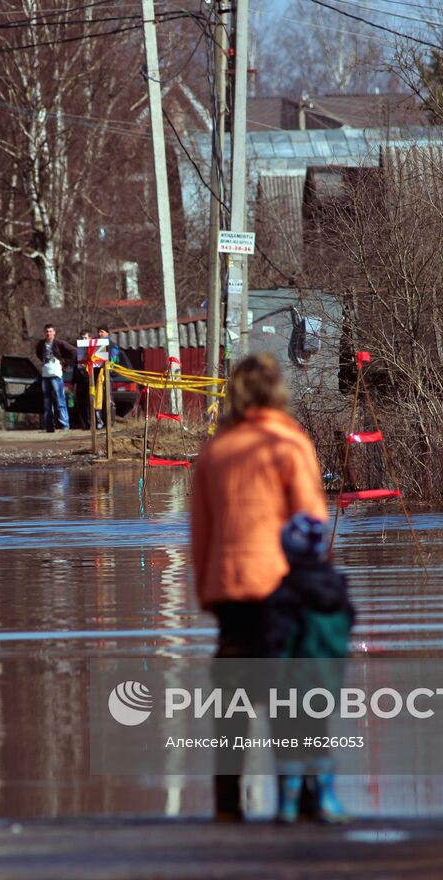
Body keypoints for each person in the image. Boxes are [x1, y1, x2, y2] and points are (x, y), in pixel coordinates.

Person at [189, 353, 328, 822]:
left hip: (229, 591)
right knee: (291, 696)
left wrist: (208, 590)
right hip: (281, 588)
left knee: (231, 703)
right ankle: (302, 800)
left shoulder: (217, 450)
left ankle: (228, 803)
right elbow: (311, 522)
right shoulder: (288, 443)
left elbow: (201, 532)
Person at [264, 513, 354, 824]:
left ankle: (288, 804)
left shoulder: (285, 594)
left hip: (290, 684)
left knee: (288, 744)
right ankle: (327, 799)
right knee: (318, 738)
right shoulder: (338, 590)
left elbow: (277, 641)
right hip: (327, 682)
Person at [33, 324, 74, 433]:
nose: (48, 333)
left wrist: (64, 362)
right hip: (45, 375)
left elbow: (73, 351)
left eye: (50, 331)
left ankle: (65, 425)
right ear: (44, 333)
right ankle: (49, 426)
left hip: (56, 375)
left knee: (60, 401)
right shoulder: (41, 344)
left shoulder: (59, 343)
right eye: (46, 331)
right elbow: (37, 353)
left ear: (54, 333)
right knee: (47, 403)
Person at [93, 325, 119, 429]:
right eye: (99, 332)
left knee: (108, 399)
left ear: (107, 333)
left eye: (102, 332)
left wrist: (108, 366)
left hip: (107, 375)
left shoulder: (112, 345)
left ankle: (110, 422)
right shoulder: (96, 344)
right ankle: (100, 422)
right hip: (97, 375)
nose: (100, 334)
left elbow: (114, 359)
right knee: (98, 399)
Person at [73, 330, 94, 431]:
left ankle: (93, 423)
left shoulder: (94, 350)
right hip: (80, 381)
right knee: (81, 404)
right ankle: (85, 424)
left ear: (90, 339)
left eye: (85, 338)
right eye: (82, 338)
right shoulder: (78, 352)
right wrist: (74, 382)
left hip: (91, 380)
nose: (83, 340)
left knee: (91, 403)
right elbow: (75, 367)